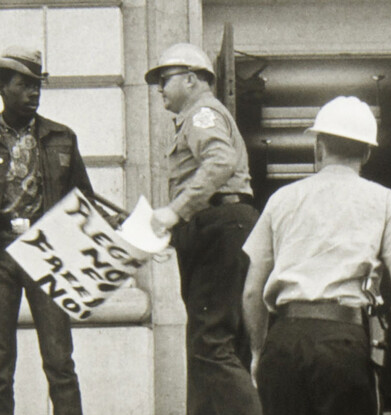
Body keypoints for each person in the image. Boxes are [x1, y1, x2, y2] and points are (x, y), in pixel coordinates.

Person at [242, 96, 391, 415]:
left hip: (284, 342)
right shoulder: (384, 201)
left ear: (318, 147)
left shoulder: (281, 200)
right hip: (343, 344)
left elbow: (251, 292)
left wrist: (259, 351)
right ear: (367, 152)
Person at [145, 43, 262, 415]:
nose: (160, 89)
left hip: (218, 225)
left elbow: (220, 160)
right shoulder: (198, 116)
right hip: (219, 224)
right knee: (212, 344)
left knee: (210, 342)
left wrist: (175, 211)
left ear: (192, 80)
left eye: (165, 80)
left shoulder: (202, 114)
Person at [0, 46, 93, 415]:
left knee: (59, 361)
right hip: (1, 252)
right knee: (0, 363)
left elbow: (83, 198)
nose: (33, 93)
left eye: (37, 85)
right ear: (3, 88)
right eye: (23, 85)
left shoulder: (62, 137)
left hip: (48, 252)